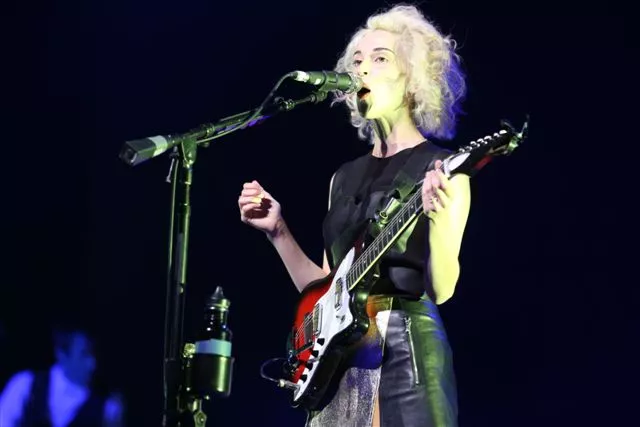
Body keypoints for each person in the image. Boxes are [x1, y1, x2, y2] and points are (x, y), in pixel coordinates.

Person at [238, 4, 469, 426]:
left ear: (413, 79)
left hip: (404, 355)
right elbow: (328, 290)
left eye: (380, 59)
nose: (361, 69)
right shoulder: (342, 178)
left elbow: (442, 289)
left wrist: (437, 219)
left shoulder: (443, 169)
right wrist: (278, 231)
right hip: (340, 362)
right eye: (357, 60)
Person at [0, 322, 125, 427]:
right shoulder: (25, 386)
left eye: (94, 354)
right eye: (84, 354)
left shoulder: (107, 407)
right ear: (61, 354)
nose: (93, 363)